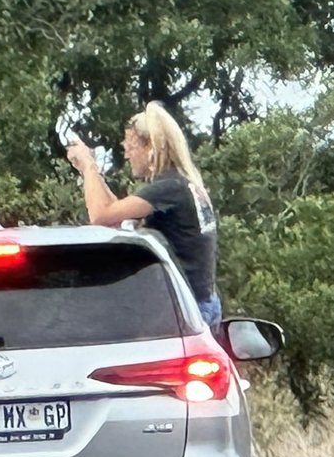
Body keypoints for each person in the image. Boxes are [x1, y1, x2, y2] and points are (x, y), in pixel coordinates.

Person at [66, 102, 221, 326]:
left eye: (131, 148)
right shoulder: (180, 184)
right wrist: (90, 171)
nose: (127, 156)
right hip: (199, 303)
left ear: (150, 147)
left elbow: (100, 216)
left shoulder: (169, 187)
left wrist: (89, 166)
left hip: (185, 312)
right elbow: (115, 214)